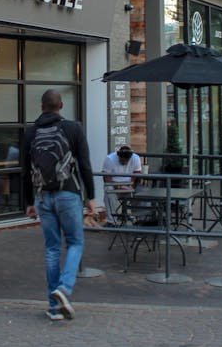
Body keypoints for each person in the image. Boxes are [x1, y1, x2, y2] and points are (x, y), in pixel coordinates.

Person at [21, 89, 95, 322]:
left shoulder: (30, 132)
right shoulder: (73, 129)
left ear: (41, 106)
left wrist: (28, 202)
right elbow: (84, 164)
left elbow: (24, 171)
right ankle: (63, 289)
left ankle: (54, 307)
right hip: (68, 195)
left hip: (43, 197)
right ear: (61, 105)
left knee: (52, 248)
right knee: (75, 242)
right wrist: (91, 196)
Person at [101, 144, 143, 225]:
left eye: (126, 160)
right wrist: (119, 187)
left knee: (141, 191)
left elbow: (137, 174)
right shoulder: (110, 159)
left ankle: (136, 218)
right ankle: (111, 221)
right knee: (108, 190)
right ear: (118, 156)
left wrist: (130, 186)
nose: (125, 162)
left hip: (129, 184)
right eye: (122, 160)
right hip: (114, 184)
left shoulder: (135, 158)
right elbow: (106, 178)